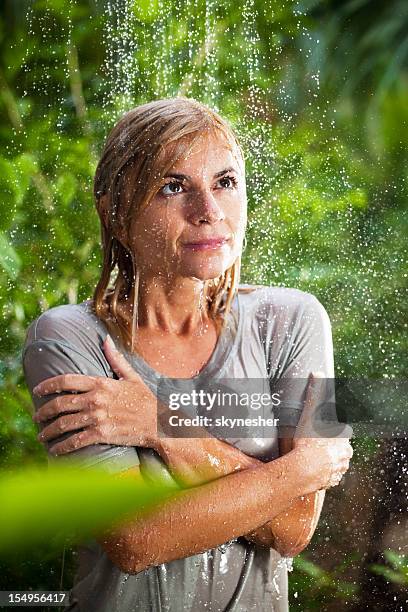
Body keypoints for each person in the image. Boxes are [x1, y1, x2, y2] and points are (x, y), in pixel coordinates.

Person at [22, 97, 353, 612]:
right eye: (173, 187)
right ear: (114, 211)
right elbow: (136, 540)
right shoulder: (67, 338)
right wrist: (298, 471)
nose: (209, 211)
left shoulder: (294, 321)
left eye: (225, 182)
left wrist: (161, 425)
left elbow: (294, 529)